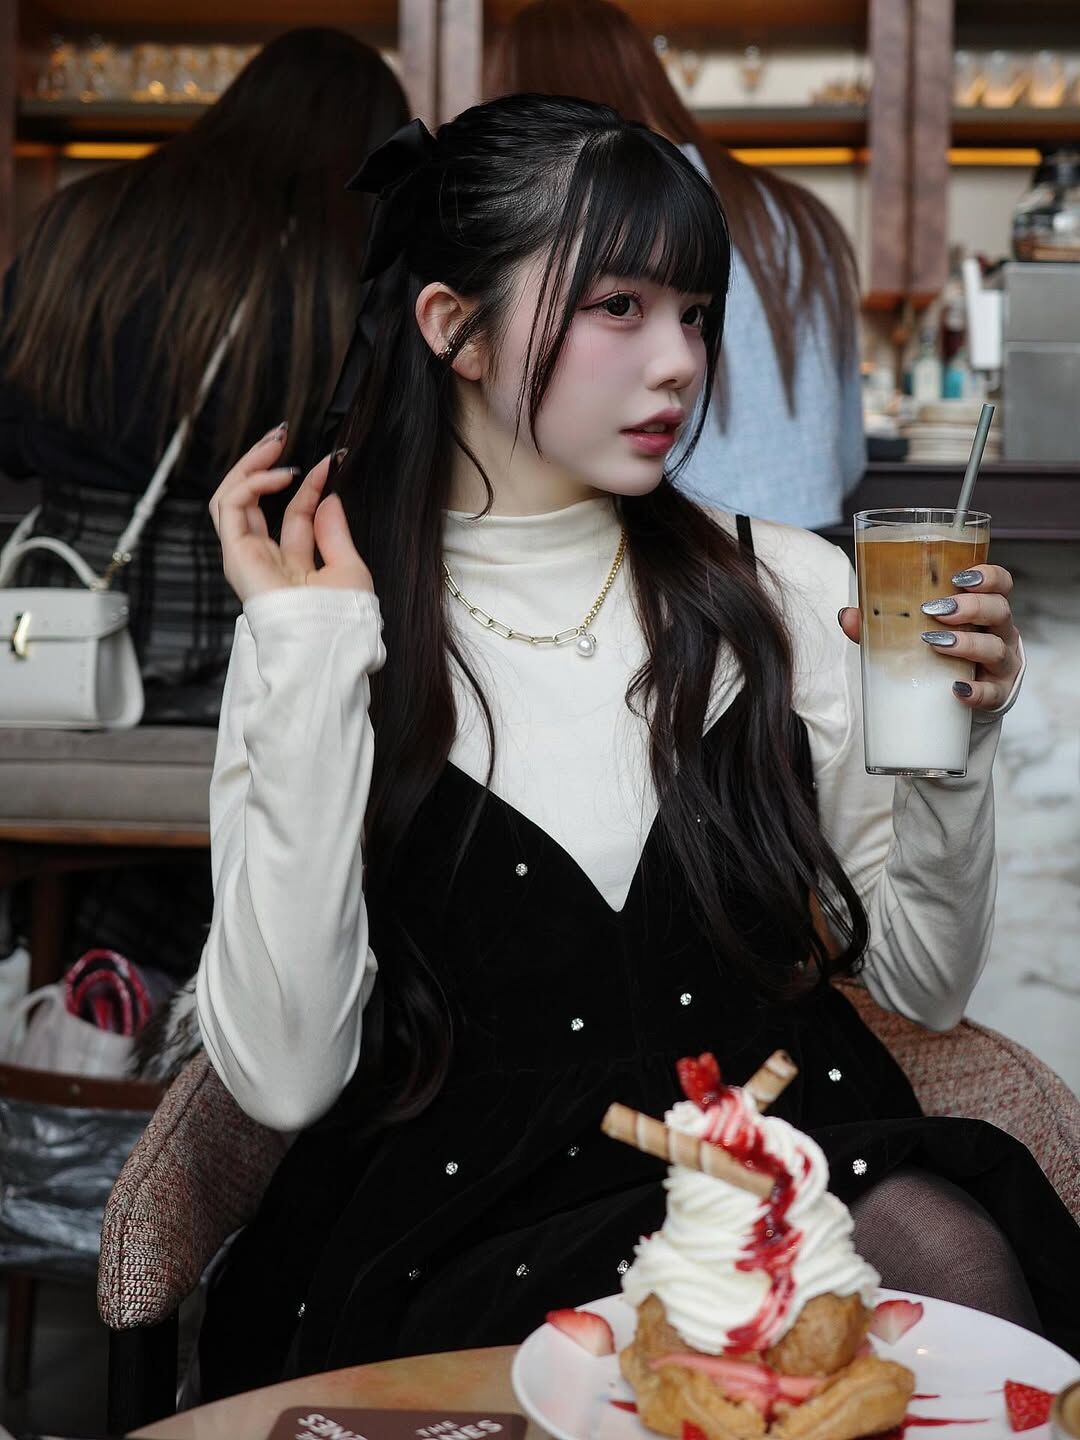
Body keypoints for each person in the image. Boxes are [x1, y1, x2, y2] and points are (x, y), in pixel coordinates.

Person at [194, 95, 1076, 1401]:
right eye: (620, 306)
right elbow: (281, 1077)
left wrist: (954, 749)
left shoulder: (784, 587)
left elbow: (926, 985)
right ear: (454, 328)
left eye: (696, 314)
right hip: (470, 1211)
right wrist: (306, 657)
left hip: (778, 1148)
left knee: (946, 1248)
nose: (680, 363)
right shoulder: (327, 620)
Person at [0, 28, 407, 980]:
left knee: (59, 929)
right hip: (254, 661)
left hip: (60, 665)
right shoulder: (349, 264)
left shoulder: (83, 218)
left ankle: (74, 1029)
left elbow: (9, 432)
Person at [486, 0, 865, 530]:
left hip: (679, 554)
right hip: (819, 541)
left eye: (694, 317)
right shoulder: (803, 217)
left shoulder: (580, 216)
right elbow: (846, 457)